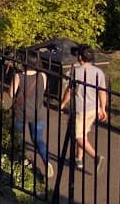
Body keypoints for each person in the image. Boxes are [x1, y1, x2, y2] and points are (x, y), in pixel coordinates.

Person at [61, 43, 109, 169]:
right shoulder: (99, 72)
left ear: (80, 58)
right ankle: (78, 158)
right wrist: (103, 108)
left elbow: (70, 91)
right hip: (94, 109)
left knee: (78, 135)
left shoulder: (76, 72)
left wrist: (63, 104)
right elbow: (102, 91)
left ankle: (96, 156)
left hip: (81, 109)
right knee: (83, 133)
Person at [9, 51, 52, 183]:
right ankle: (47, 161)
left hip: (21, 112)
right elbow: (43, 90)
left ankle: (19, 160)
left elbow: (11, 93)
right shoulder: (42, 76)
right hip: (38, 112)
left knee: (17, 137)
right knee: (38, 139)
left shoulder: (18, 76)